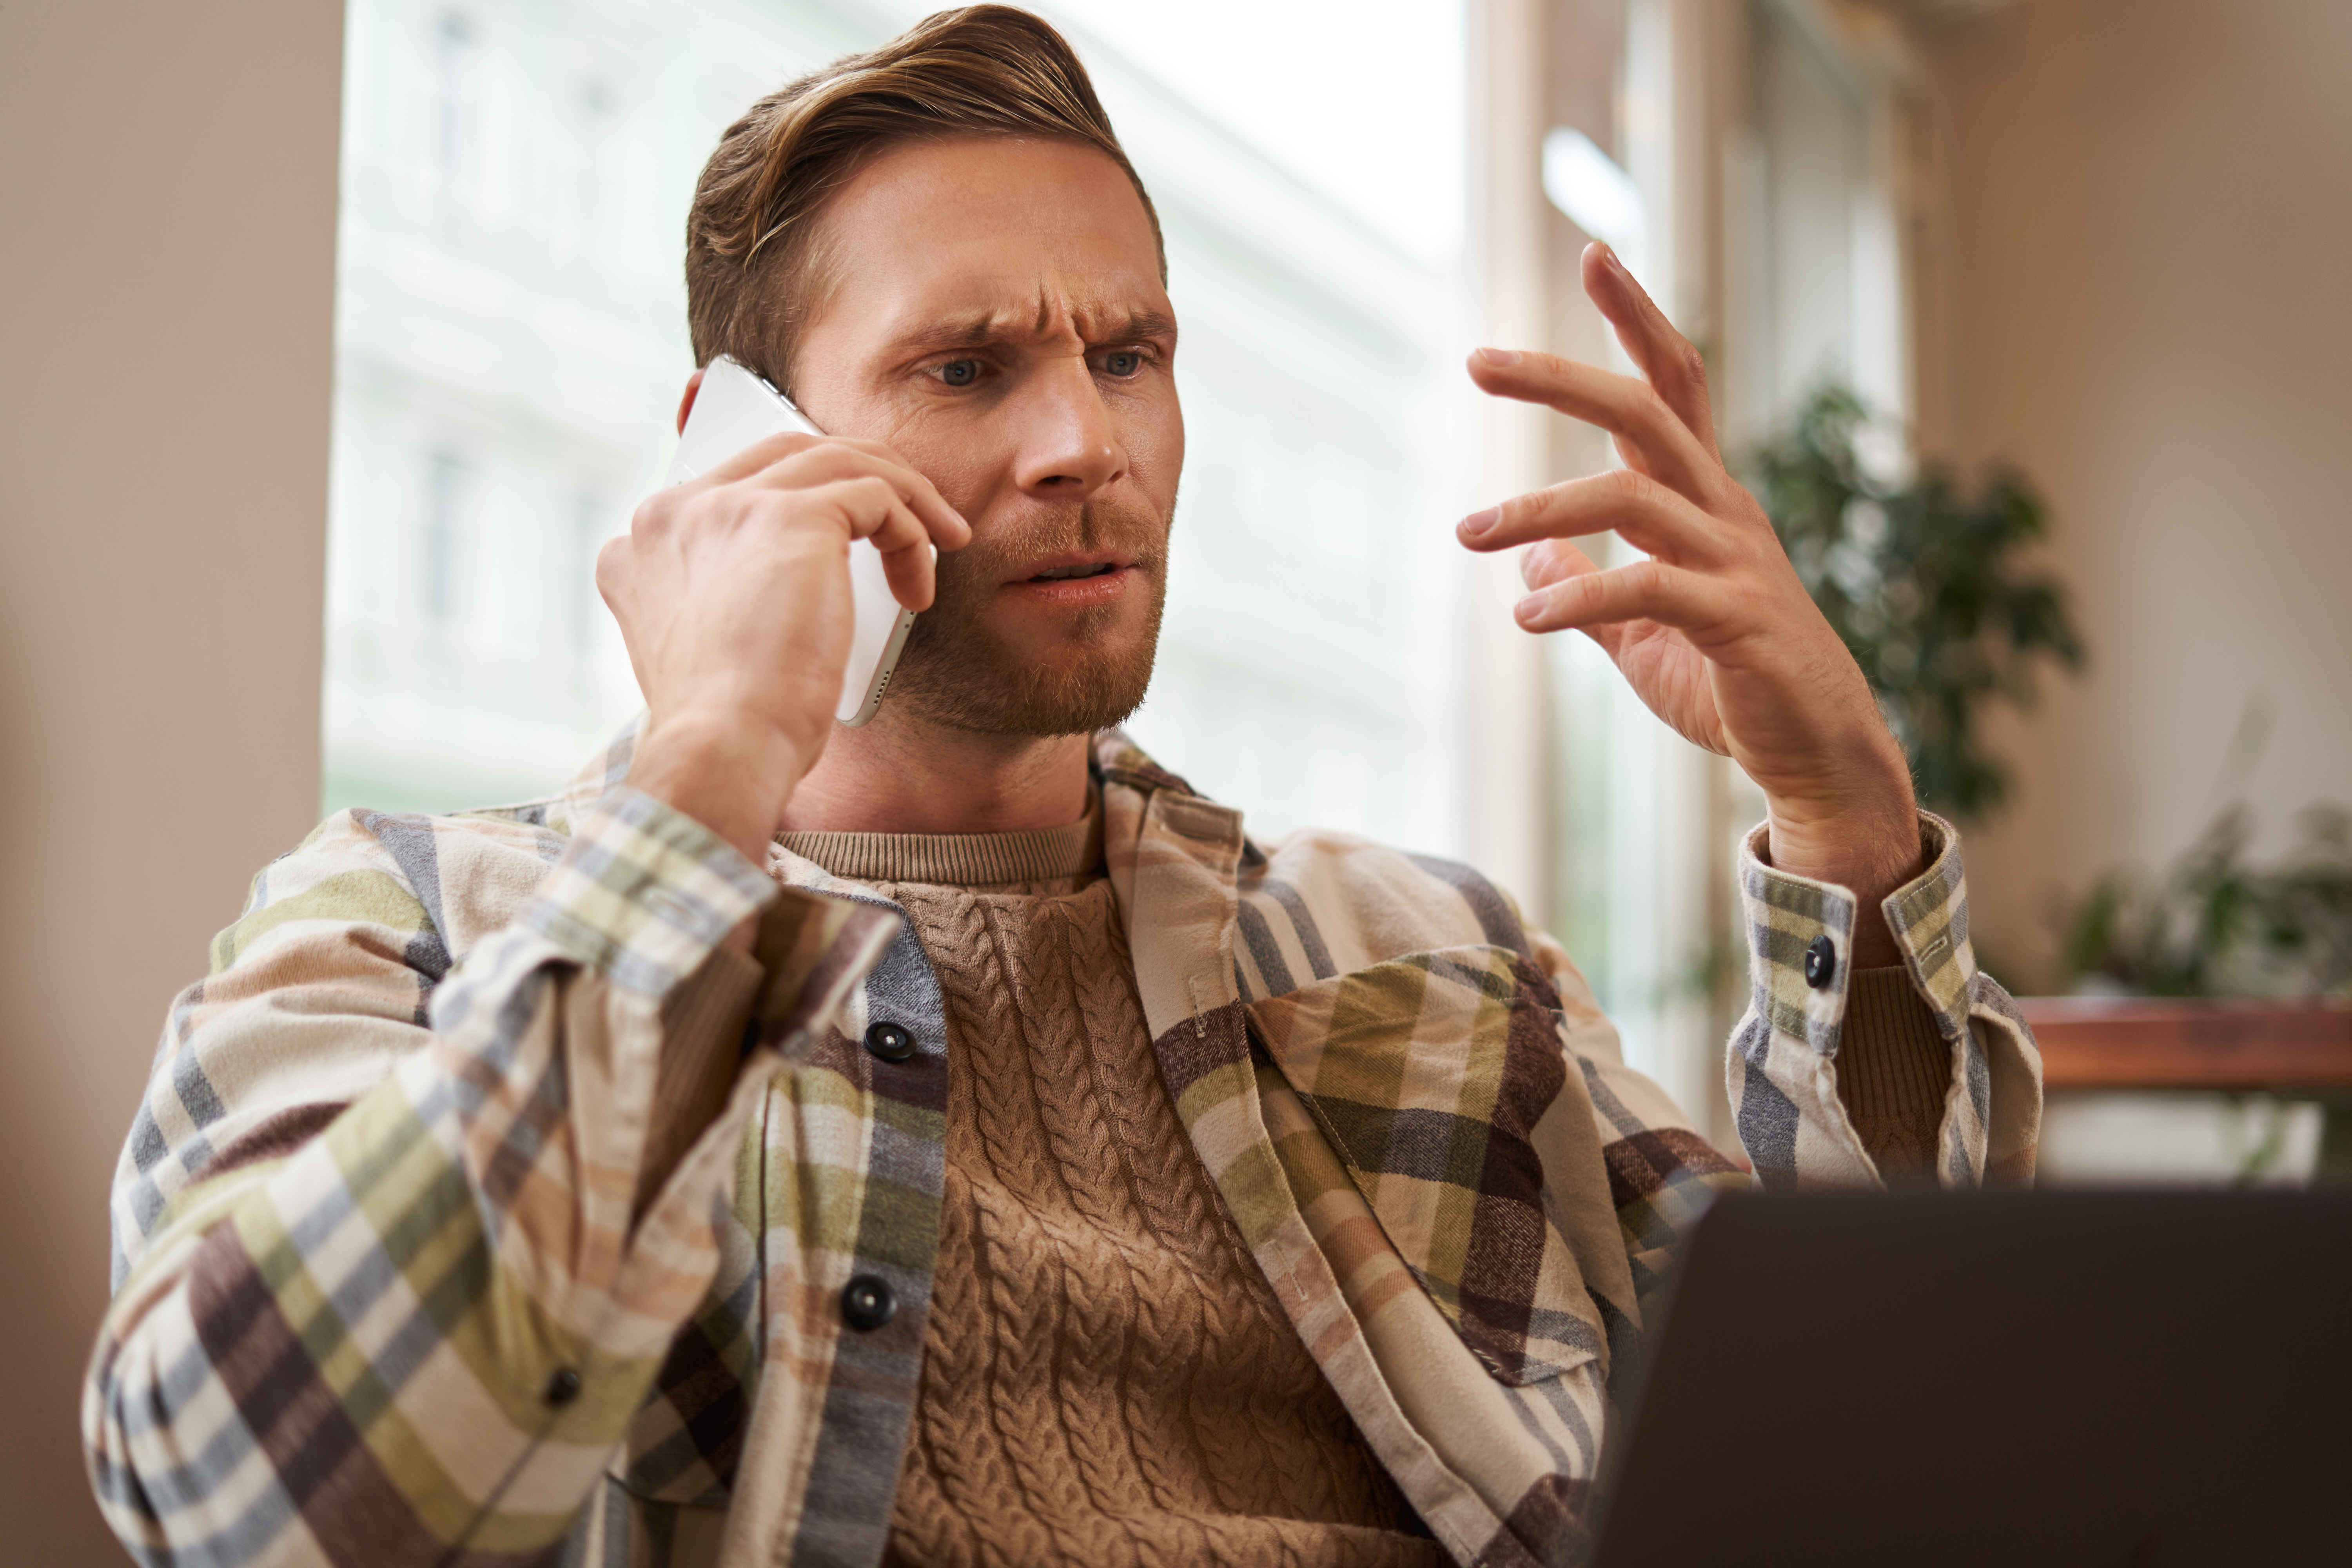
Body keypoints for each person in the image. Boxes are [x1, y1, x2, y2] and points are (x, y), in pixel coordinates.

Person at [83, 8, 2040, 1567]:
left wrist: (1847, 816)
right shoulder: (418, 932)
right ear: (730, 455)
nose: (1085, 443)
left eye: (1131, 351)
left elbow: (1893, 1449)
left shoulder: (1430, 949)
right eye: (968, 366)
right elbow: (257, 1508)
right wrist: (700, 780)